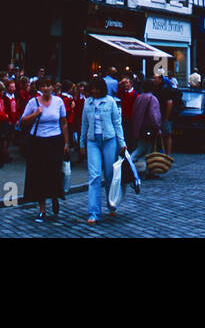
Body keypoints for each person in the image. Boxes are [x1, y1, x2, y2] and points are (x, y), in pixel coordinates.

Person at [19, 77, 69, 222]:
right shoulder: (33, 102)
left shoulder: (59, 101)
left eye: (49, 85)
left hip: (55, 141)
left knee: (54, 171)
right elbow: (23, 121)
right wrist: (35, 114)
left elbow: (63, 122)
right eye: (43, 86)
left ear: (53, 87)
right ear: (39, 88)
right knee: (39, 174)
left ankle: (54, 196)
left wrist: (66, 142)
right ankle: (42, 209)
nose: (46, 88)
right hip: (38, 142)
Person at [81, 76, 128, 224]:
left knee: (109, 174)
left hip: (109, 140)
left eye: (97, 89)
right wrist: (82, 144)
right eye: (92, 89)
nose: (94, 91)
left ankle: (111, 204)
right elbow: (84, 124)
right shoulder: (87, 103)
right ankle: (94, 212)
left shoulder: (110, 101)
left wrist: (122, 143)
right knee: (94, 176)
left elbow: (117, 123)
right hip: (92, 141)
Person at [129, 79, 163, 171]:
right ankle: (129, 163)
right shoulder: (152, 99)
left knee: (143, 147)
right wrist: (158, 127)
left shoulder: (139, 97)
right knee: (145, 149)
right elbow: (154, 115)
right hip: (149, 128)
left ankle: (146, 168)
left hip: (139, 128)